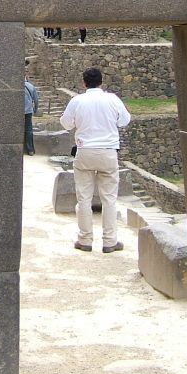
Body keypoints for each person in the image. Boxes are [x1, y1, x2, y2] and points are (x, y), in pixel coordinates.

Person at [60, 68, 131, 254]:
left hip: (85, 151)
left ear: (84, 83)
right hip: (108, 151)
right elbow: (124, 120)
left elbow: (66, 123)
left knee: (83, 198)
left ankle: (85, 239)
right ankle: (109, 241)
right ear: (101, 82)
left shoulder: (77, 101)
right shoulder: (112, 99)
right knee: (109, 199)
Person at [23, 76, 39, 156]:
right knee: (29, 129)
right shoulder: (31, 86)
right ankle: (30, 150)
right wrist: (35, 109)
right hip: (28, 111)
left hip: (18, 111)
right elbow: (36, 100)